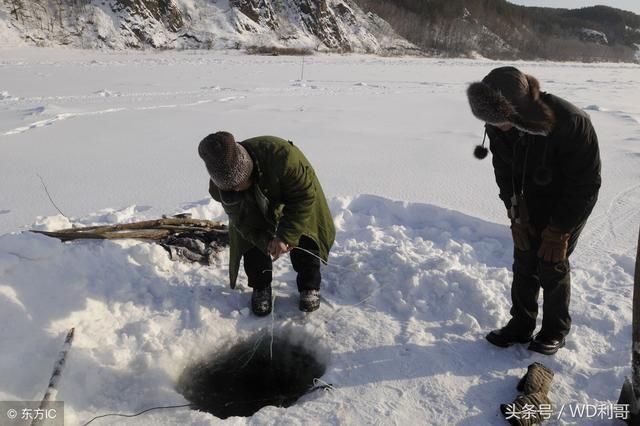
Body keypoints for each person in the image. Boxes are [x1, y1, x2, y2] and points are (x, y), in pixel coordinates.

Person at [466, 66, 601, 355]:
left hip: (568, 201)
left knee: (551, 261)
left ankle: (554, 331)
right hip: (528, 199)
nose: (498, 127)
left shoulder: (571, 122)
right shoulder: (498, 123)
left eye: (503, 121)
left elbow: (586, 184)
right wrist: (513, 211)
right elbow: (503, 169)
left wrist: (560, 230)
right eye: (492, 122)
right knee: (524, 257)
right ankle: (521, 325)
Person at [198, 132, 336, 316]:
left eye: (239, 183)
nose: (236, 189)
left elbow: (303, 199)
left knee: (304, 232)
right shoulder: (222, 189)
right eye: (231, 188)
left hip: (293, 192)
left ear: (248, 169)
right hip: (253, 204)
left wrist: (285, 236)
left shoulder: (284, 158)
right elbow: (243, 224)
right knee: (250, 243)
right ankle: (260, 286)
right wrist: (266, 242)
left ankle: (309, 286)